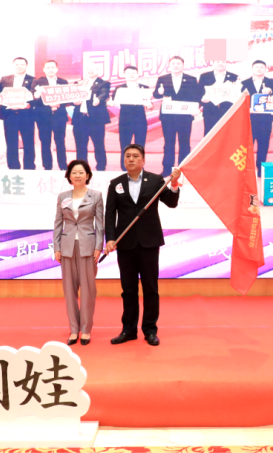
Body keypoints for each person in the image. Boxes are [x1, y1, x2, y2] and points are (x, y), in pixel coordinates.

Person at [105, 144, 181, 346]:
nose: (131, 159)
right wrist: (110, 238)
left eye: (135, 156)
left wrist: (174, 184)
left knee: (150, 288)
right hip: (125, 243)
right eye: (127, 156)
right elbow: (110, 214)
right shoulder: (116, 184)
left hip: (149, 242)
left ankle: (150, 330)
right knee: (128, 289)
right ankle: (129, 330)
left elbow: (171, 202)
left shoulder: (155, 180)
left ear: (143, 160)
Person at [54, 159, 104, 346]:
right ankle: (74, 330)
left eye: (81, 172)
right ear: (69, 176)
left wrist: (98, 246)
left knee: (88, 290)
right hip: (67, 248)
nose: (77, 175)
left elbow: (100, 224)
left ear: (87, 175)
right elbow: (58, 223)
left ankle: (86, 329)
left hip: (88, 247)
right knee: (69, 291)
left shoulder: (96, 196)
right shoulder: (62, 197)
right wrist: (57, 247)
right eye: (73, 172)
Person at [0, 57, 36, 170]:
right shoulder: (5, 79)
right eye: (17, 64)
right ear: (13, 65)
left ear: (26, 66)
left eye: (22, 64)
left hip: (26, 115)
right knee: (11, 143)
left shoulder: (33, 80)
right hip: (9, 115)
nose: (19, 66)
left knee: (29, 143)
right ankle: (13, 167)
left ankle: (29, 168)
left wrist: (28, 105)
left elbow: (35, 96)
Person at [153, 56, 202, 177]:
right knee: (168, 143)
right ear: (169, 66)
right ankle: (167, 169)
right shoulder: (162, 79)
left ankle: (183, 170)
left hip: (185, 117)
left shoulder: (191, 79)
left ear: (183, 65)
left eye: (178, 63)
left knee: (184, 143)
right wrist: (159, 93)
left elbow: (196, 96)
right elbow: (156, 95)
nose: (176, 66)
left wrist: (195, 108)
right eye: (173, 63)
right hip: (168, 117)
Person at [240, 60, 273, 176]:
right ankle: (246, 169)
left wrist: (271, 91)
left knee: (263, 144)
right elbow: (238, 100)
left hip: (265, 119)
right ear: (252, 69)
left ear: (266, 69)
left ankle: (261, 168)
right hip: (248, 119)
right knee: (247, 144)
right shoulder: (244, 83)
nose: (259, 69)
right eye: (256, 67)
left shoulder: (271, 82)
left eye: (261, 67)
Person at [70, 63, 111, 171]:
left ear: (98, 70)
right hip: (80, 119)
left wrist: (99, 100)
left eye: (93, 68)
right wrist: (74, 102)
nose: (90, 70)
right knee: (80, 145)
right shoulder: (78, 83)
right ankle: (82, 168)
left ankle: (101, 167)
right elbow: (71, 97)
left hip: (96, 120)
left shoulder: (104, 83)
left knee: (99, 144)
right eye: (88, 68)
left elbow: (104, 94)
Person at [111, 66, 152, 171]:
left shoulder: (145, 87)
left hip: (140, 120)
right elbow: (113, 102)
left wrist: (149, 105)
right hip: (125, 120)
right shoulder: (119, 88)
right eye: (128, 73)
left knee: (140, 145)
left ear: (138, 74)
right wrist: (110, 103)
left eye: (134, 72)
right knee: (124, 144)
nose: (131, 74)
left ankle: (139, 167)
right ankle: (124, 167)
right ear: (124, 75)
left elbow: (149, 103)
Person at [32, 60, 70, 171]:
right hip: (43, 117)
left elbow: (68, 98)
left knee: (60, 142)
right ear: (44, 70)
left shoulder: (63, 82)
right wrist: (37, 95)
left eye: (52, 67)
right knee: (45, 142)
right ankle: (47, 167)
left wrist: (59, 104)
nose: (50, 70)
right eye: (48, 68)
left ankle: (63, 166)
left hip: (59, 116)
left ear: (57, 69)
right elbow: (33, 99)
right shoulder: (37, 82)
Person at [198, 60, 239, 136]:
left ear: (226, 63)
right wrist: (202, 99)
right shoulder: (204, 76)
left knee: (228, 133)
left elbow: (237, 92)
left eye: (223, 62)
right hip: (210, 110)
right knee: (210, 134)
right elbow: (199, 92)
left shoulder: (234, 76)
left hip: (228, 110)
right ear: (213, 63)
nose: (220, 64)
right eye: (217, 62)